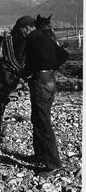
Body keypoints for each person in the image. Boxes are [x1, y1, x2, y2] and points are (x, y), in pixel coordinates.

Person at [23, 20, 69, 177]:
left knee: (42, 122)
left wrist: (28, 73)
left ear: (28, 27)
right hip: (50, 81)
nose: (22, 33)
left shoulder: (31, 39)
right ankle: (40, 155)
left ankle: (53, 164)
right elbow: (64, 55)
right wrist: (50, 67)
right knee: (39, 118)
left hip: (39, 83)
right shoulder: (46, 37)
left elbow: (28, 63)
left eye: (22, 30)